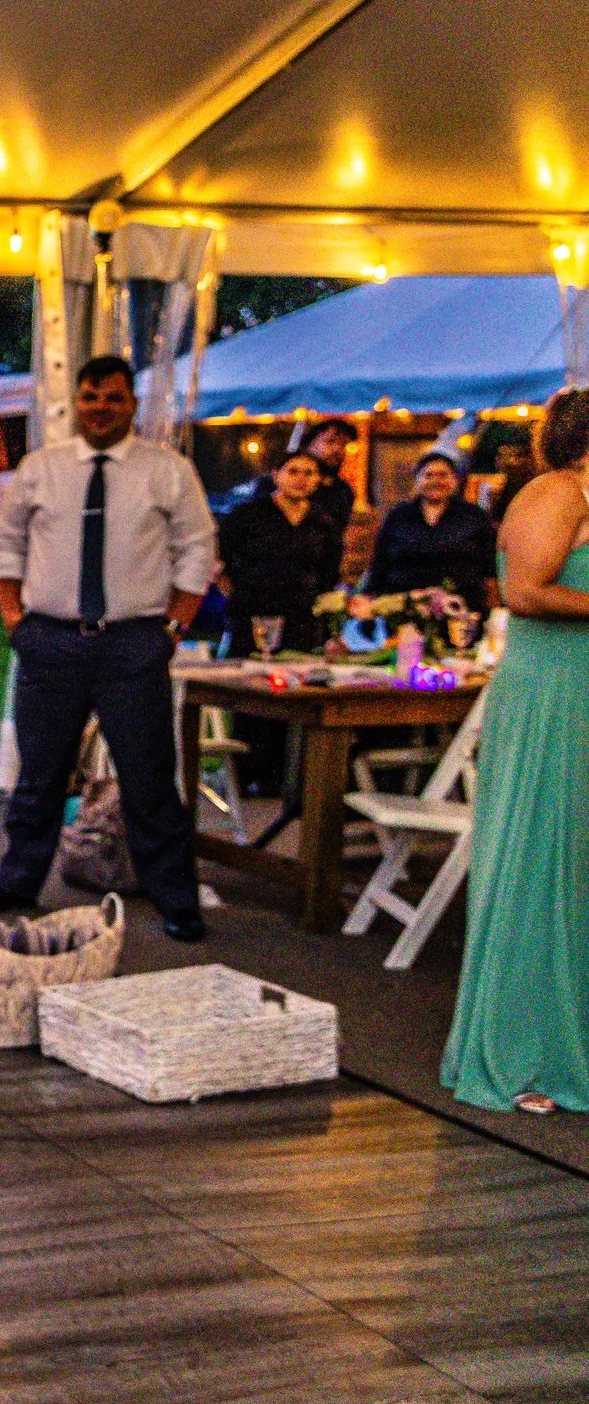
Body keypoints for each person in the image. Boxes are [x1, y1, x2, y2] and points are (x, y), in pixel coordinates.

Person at [0, 355, 218, 942]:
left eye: (112, 397)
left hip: (134, 644)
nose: (99, 407)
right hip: (50, 641)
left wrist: (172, 630)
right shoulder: (41, 469)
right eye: (89, 397)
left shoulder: (168, 470)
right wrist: (14, 621)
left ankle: (174, 896)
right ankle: (16, 883)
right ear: (75, 402)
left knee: (150, 777)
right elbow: (5, 549)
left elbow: (197, 552)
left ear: (132, 402)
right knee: (41, 775)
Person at [441, 388, 589, 1117]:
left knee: (580, 866)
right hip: (555, 691)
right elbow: (525, 590)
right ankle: (523, 1049)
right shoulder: (556, 490)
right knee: (544, 856)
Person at [215, 449, 345, 792]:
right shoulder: (249, 514)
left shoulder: (323, 522)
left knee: (292, 697)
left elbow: (329, 573)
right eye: (293, 471)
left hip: (301, 620)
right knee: (250, 697)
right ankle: (243, 776)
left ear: (317, 480)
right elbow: (219, 563)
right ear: (277, 475)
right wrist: (239, 598)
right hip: (253, 617)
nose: (301, 479)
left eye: (308, 473)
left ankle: (279, 779)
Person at [365, 449, 498, 609]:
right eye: (428, 475)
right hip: (403, 609)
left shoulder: (475, 516)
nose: (436, 481)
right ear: (417, 481)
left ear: (455, 480)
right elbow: (380, 564)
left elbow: (490, 569)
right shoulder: (398, 516)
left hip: (462, 610)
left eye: (443, 475)